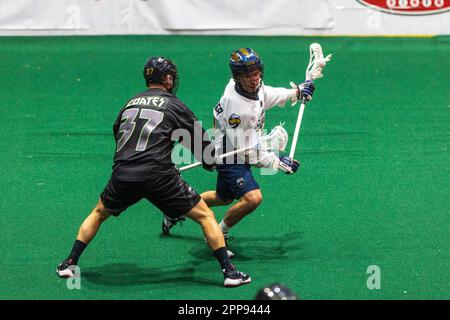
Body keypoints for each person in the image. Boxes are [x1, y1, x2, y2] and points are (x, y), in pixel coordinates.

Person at [56, 56, 251, 288]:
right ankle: (229, 272)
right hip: (159, 176)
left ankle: (69, 263)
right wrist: (210, 162)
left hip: (123, 173)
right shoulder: (174, 104)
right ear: (168, 79)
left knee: (98, 212)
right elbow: (201, 143)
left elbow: (118, 133)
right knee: (205, 216)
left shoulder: (129, 103)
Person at [162, 48, 315, 258]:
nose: (253, 79)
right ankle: (217, 232)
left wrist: (295, 93)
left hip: (236, 143)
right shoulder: (238, 108)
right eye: (247, 75)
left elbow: (266, 95)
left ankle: (175, 209)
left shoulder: (249, 86)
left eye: (256, 73)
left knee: (223, 197)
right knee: (253, 198)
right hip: (231, 151)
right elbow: (249, 152)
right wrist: (277, 162)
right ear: (237, 77)